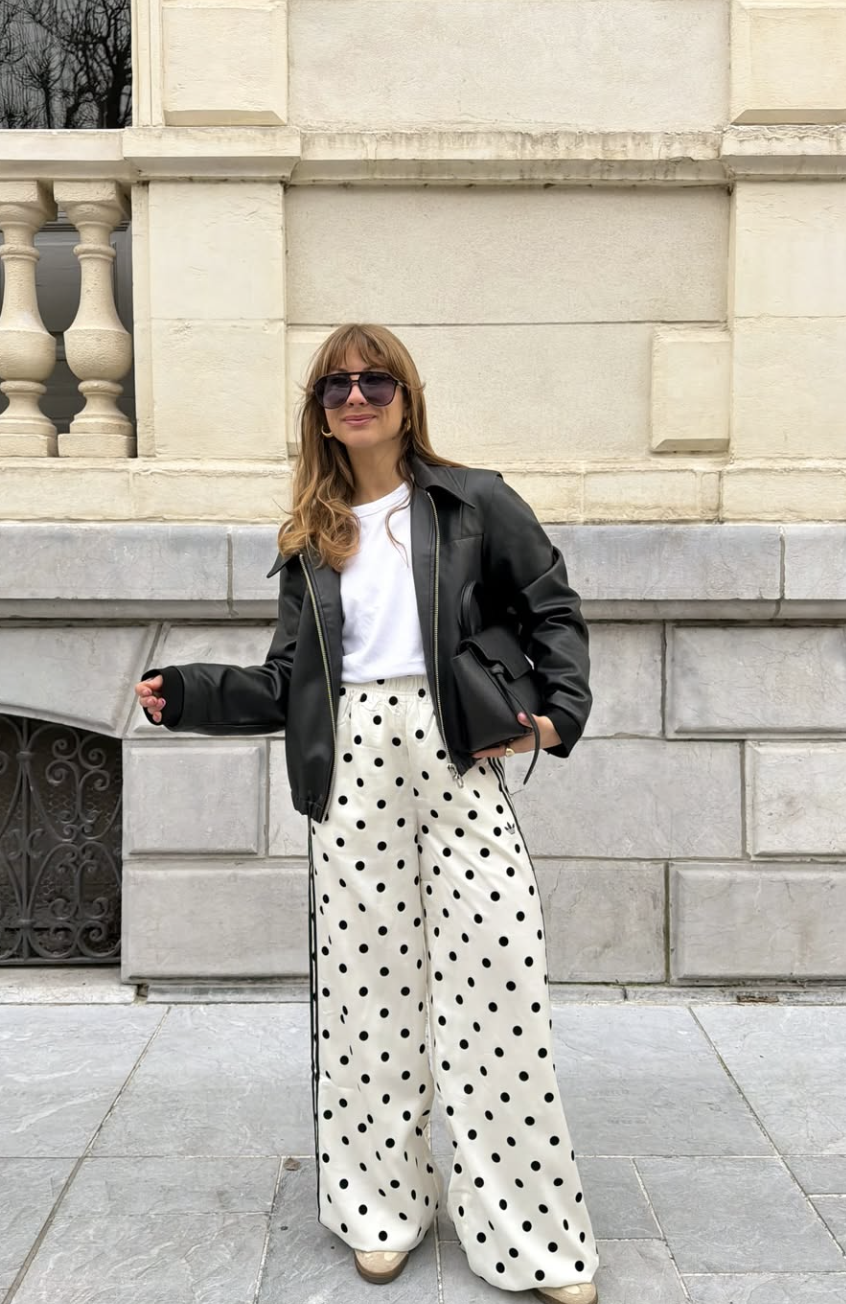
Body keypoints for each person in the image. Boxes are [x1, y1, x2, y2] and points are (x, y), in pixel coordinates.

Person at [134, 323, 599, 1303]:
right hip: (352, 767)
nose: (356, 395)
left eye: (374, 378)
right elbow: (287, 681)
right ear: (320, 410)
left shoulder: (475, 500)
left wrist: (557, 717)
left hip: (456, 754)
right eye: (336, 384)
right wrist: (192, 692)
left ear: (405, 392)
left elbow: (553, 605)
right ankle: (380, 1203)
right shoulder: (312, 535)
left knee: (498, 988)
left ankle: (530, 1236)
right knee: (366, 1001)